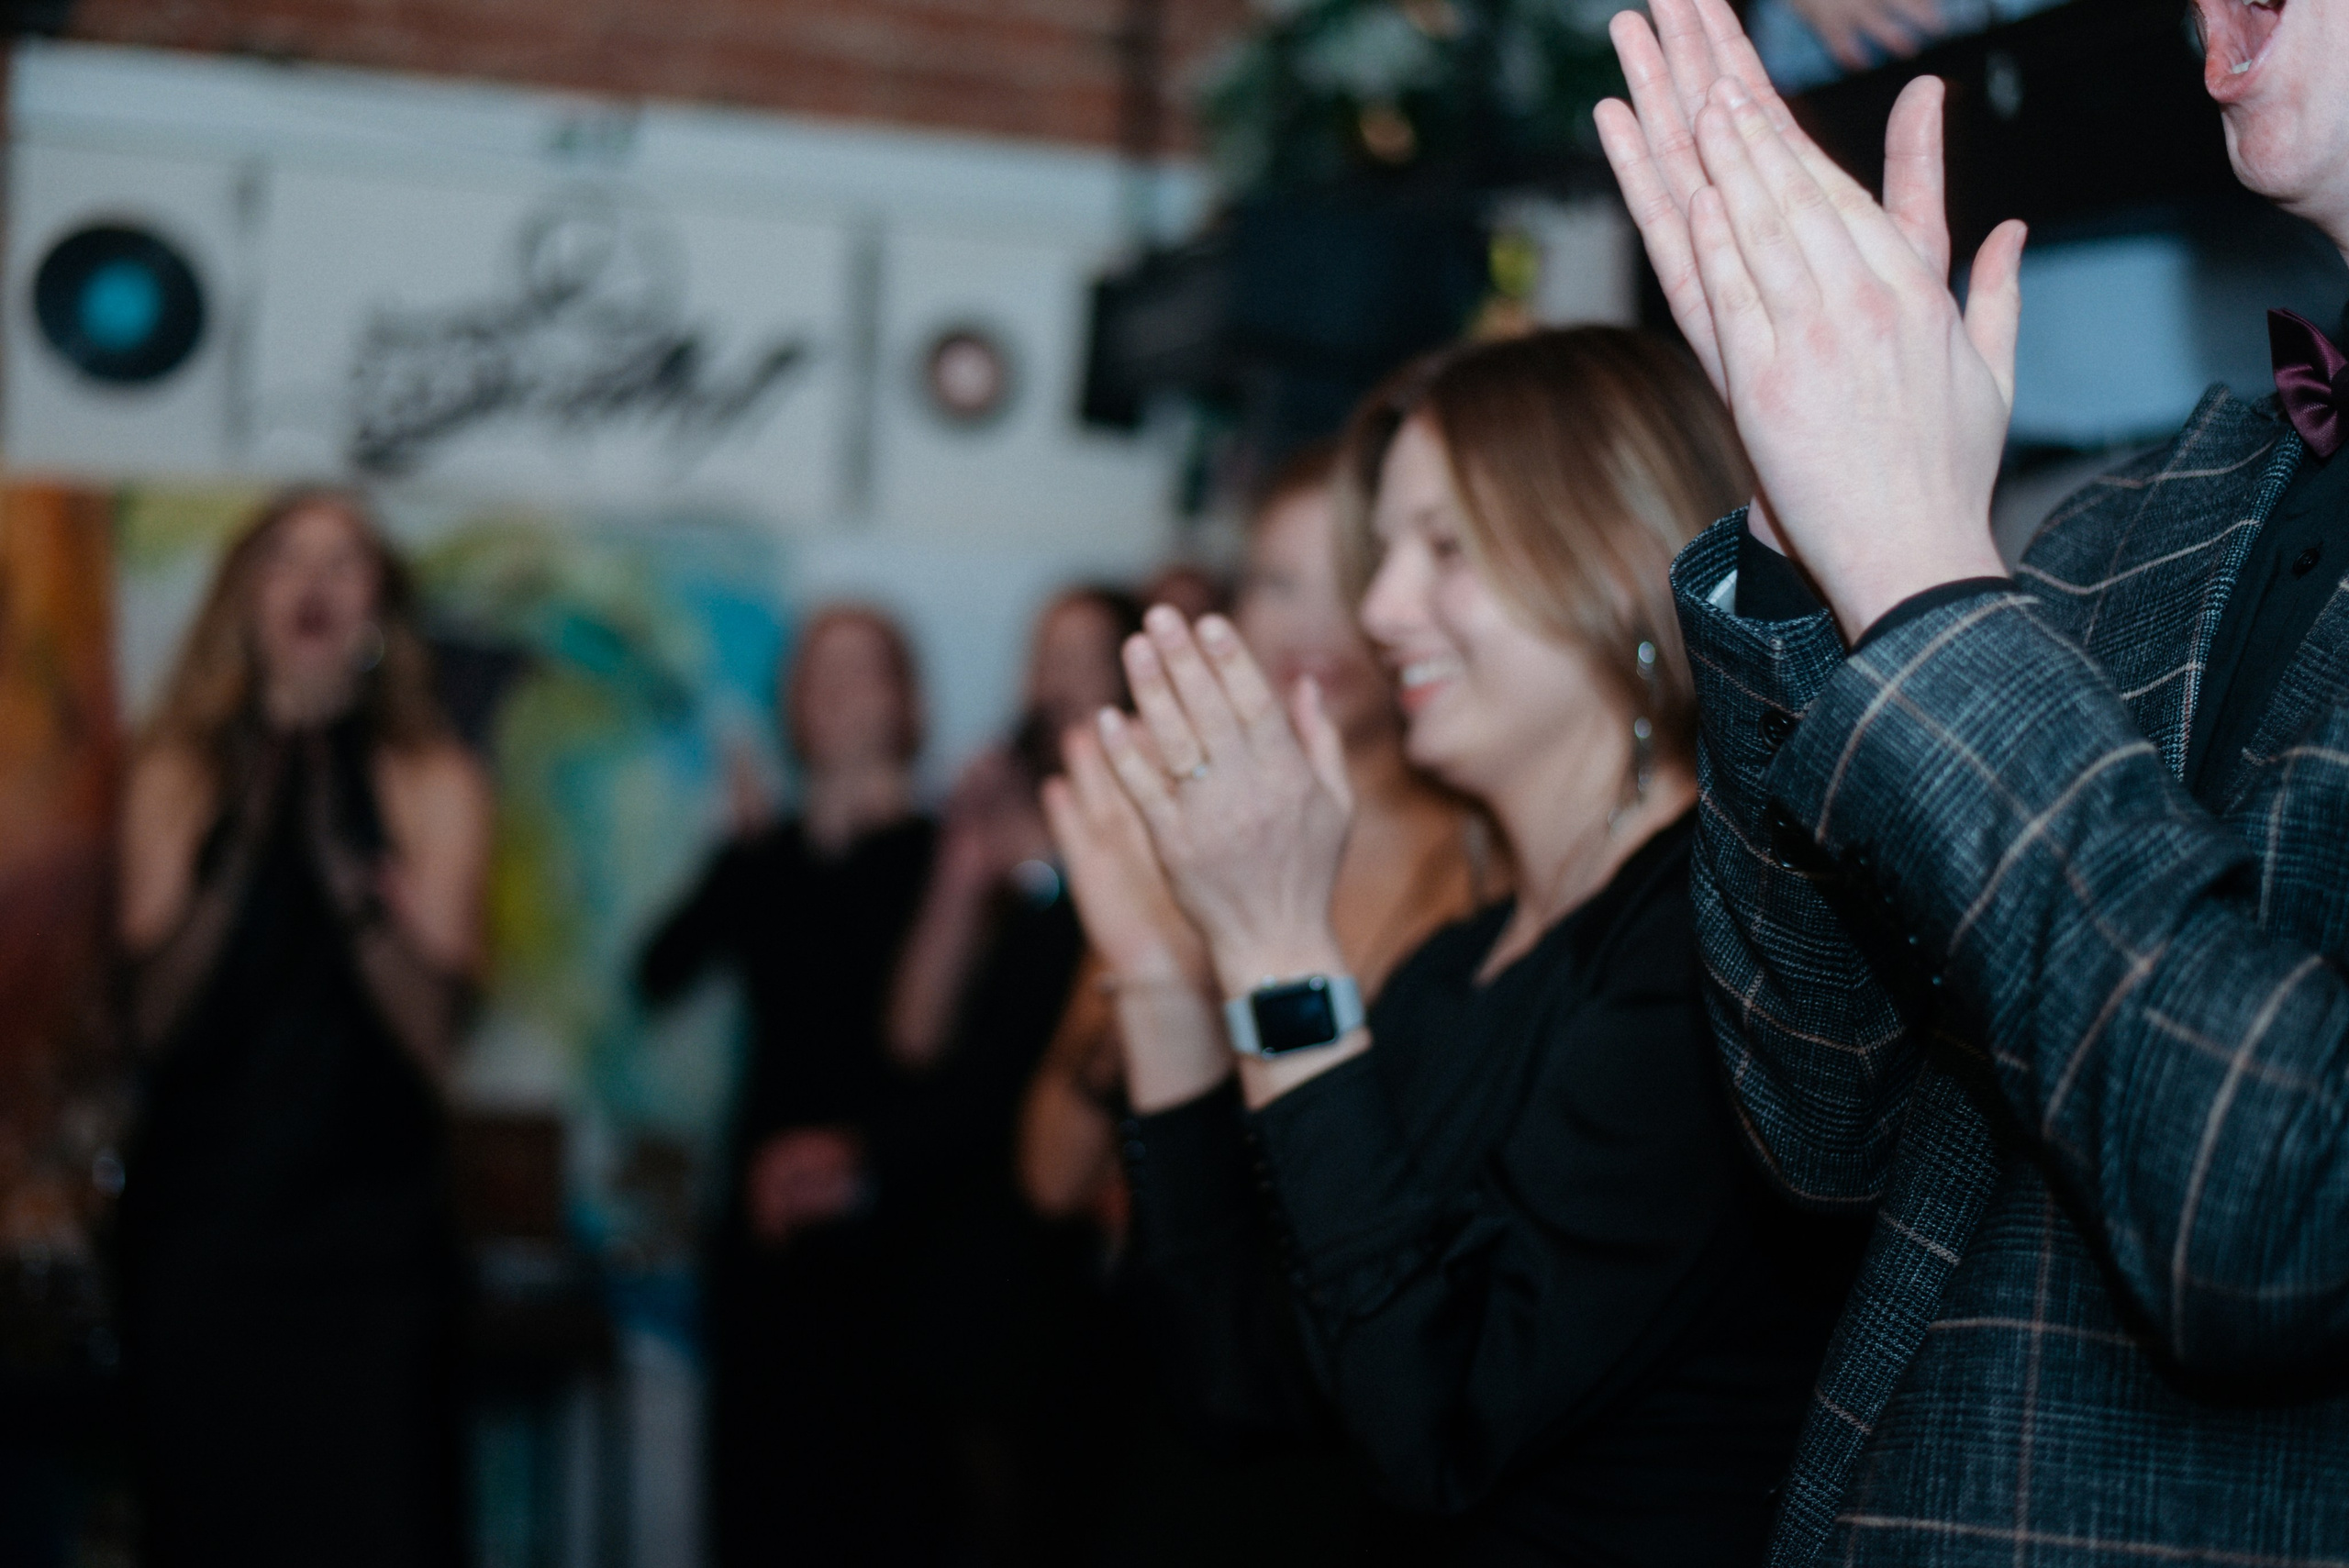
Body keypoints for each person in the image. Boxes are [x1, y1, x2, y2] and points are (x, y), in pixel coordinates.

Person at [1596, 0, 2349, 1558]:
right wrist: (1817, 559)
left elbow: (2276, 1206)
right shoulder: (2161, 506)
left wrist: (1927, 576)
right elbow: (1825, 1114)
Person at [1053, 328, 1866, 1564]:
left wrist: (1280, 949)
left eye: (1445, 549)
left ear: (1613, 552)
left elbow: (1431, 1425)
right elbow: (1240, 1385)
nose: (1381, 612)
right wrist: (1168, 979)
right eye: (1388, 556)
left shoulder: (1715, 949)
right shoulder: (1456, 967)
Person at [1019, 448, 1494, 1568]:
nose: (1314, 625)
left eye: (1347, 575)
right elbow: (1047, 1171)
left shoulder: (1482, 862)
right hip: (1168, 1385)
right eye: (1278, 583)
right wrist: (1157, 966)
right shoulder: (1188, 839)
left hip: (1366, 1434)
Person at [116, 488, 491, 1568]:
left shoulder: (435, 780)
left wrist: (352, 885)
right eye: (287, 556)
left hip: (372, 1247)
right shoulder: (176, 770)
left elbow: (433, 1042)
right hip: (207, 1232)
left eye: (345, 560)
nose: (315, 580)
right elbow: (154, 1018)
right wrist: (235, 859)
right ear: (247, 594)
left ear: (377, 605)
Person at [634, 604, 941, 1568]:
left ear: (906, 701)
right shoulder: (763, 855)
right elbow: (657, 972)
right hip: (763, 1242)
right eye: (818, 674)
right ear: (791, 706)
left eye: (863, 671)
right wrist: (741, 849)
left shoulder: (950, 859)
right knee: (759, 1511)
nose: (839, 693)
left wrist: (839, 829)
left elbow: (938, 1053)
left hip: (903, 1245)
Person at [861, 585, 1143, 1562]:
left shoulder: (1142, 831)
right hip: (951, 1236)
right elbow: (912, 1035)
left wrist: (1043, 873)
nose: (1053, 681)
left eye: (1081, 656)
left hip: (1062, 1254)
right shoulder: (997, 815)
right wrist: (961, 867)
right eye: (1041, 657)